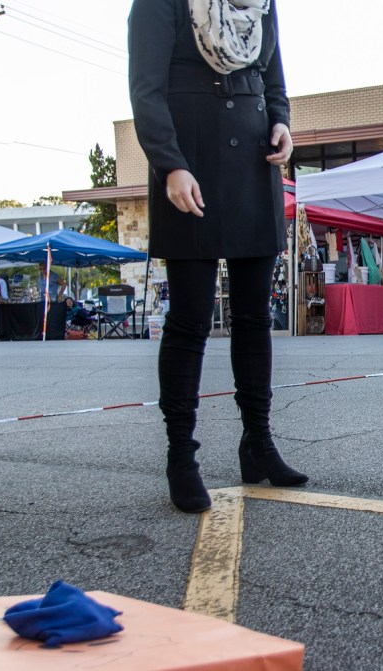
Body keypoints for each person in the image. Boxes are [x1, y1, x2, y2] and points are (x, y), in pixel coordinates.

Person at [129, 0, 307, 514]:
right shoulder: (159, 4)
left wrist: (282, 124)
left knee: (255, 319)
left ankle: (258, 443)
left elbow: (274, 80)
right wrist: (170, 165)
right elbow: (146, 90)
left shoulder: (261, 7)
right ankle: (181, 458)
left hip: (255, 165)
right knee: (189, 320)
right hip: (192, 166)